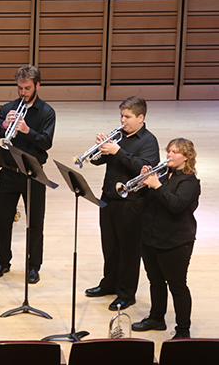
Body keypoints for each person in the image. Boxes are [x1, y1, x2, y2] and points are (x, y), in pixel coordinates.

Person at [85, 96, 160, 310]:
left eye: (127, 116)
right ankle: (109, 284)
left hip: (133, 204)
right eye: (121, 115)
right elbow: (97, 161)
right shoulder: (119, 136)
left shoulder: (149, 141)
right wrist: (100, 148)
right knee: (110, 247)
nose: (123, 120)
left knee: (128, 251)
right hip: (109, 200)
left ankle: (127, 294)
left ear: (140, 117)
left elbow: (145, 168)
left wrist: (119, 152)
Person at [0, 65, 56, 284]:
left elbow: (46, 143)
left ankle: (34, 266)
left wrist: (27, 130)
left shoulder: (46, 112)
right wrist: (5, 124)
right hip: (9, 172)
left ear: (37, 85)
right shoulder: (8, 107)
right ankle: (3, 261)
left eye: (27, 88)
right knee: (3, 220)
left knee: (35, 222)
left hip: (33, 173)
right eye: (20, 88)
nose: (23, 92)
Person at [131, 138, 200, 339]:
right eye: (168, 151)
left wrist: (156, 185)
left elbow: (176, 205)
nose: (169, 155)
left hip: (176, 241)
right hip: (151, 237)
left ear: (186, 157)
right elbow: (150, 202)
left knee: (177, 286)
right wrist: (145, 182)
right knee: (156, 281)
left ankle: (182, 330)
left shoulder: (190, 182)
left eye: (175, 152)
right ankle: (156, 318)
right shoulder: (163, 174)